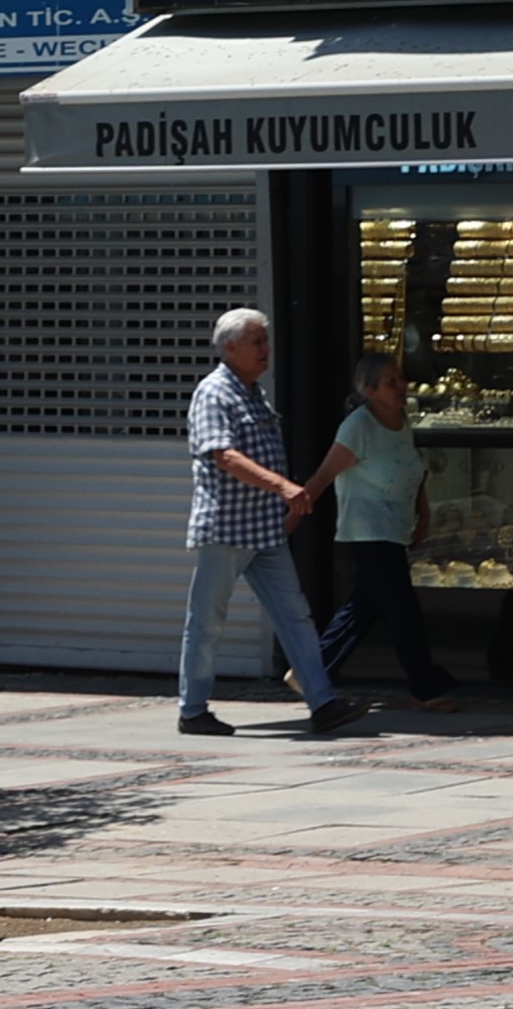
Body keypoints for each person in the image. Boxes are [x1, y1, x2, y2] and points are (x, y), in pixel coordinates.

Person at [175, 309, 365, 738]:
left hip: (262, 529)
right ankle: (192, 710)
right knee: (206, 620)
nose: (266, 350)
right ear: (231, 348)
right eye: (257, 342)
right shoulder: (214, 393)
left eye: (265, 341)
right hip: (226, 529)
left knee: (295, 615)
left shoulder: (253, 392)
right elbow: (223, 455)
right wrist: (283, 486)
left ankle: (323, 702)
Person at [300, 347, 457, 711]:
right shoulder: (358, 427)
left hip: (395, 527)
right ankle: (424, 684)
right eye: (391, 382)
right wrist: (294, 511)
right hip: (367, 531)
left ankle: (311, 670)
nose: (401, 386)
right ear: (370, 392)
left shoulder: (403, 421)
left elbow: (414, 472)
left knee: (363, 607)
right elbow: (324, 475)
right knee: (402, 609)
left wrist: (424, 515)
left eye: (400, 378)